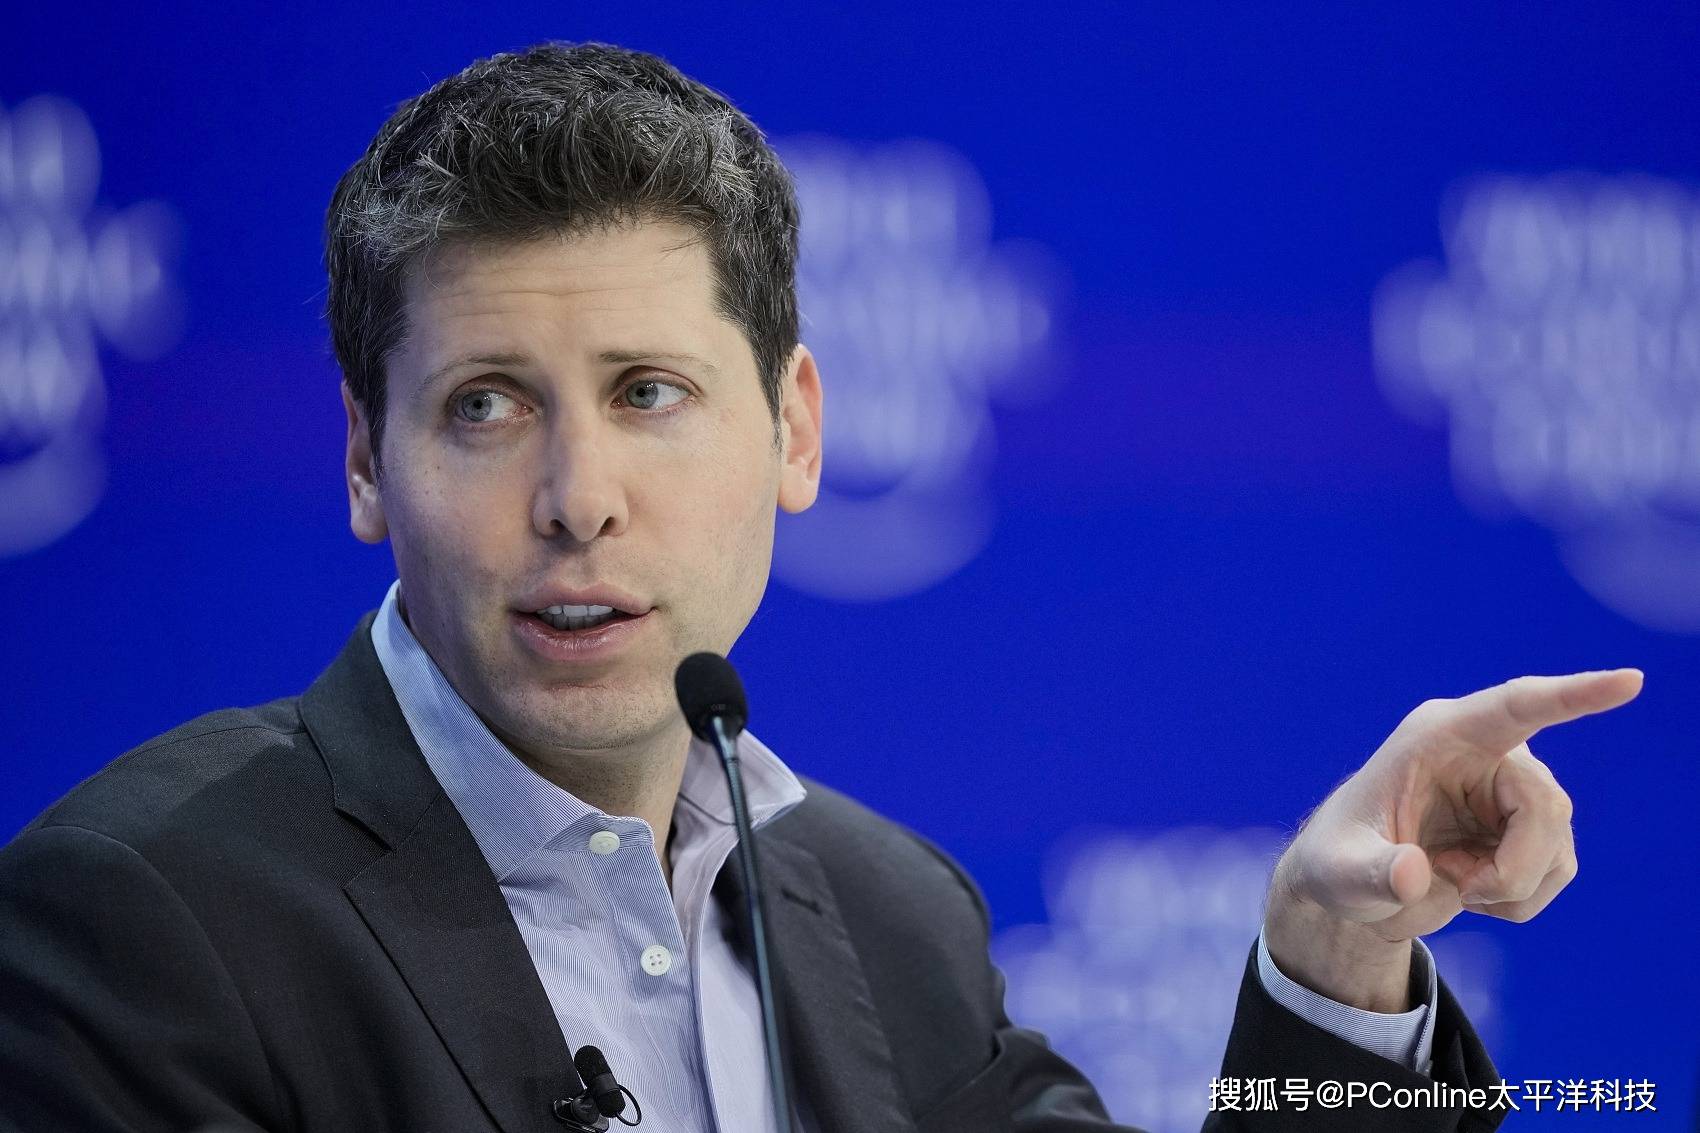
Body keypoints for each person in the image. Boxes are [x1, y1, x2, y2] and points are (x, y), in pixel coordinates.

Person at [0, 41, 1640, 1133]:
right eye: (485, 407)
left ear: (794, 428)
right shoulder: (145, 918)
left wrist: (1334, 962)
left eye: (649, 391)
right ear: (367, 460)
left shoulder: (885, 913)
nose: (578, 498)